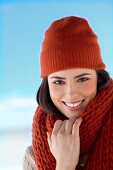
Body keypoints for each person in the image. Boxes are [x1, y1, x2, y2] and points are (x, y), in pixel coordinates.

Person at [23, 16, 113, 170]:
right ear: (47, 86)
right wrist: (64, 165)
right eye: (58, 82)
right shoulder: (33, 157)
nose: (71, 94)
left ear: (98, 79)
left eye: (82, 79)